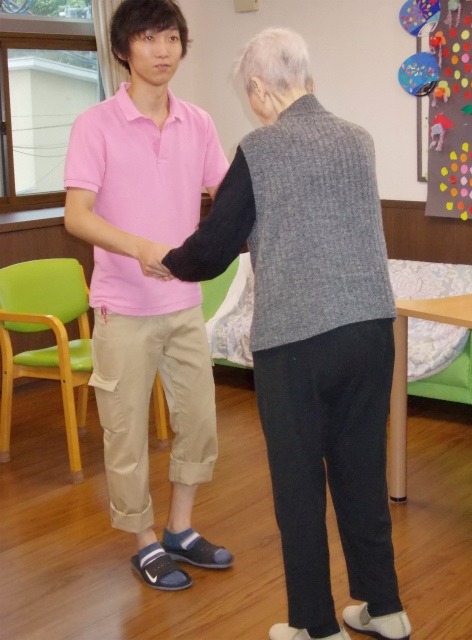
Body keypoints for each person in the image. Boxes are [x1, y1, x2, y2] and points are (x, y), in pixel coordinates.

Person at [152, 27, 412, 640]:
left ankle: (316, 626)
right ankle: (386, 610)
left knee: (299, 486)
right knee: (361, 472)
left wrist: (167, 261)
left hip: (297, 343)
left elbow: (214, 247)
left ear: (259, 87)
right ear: (307, 78)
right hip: (371, 330)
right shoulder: (359, 139)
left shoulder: (260, 149)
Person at [63, 0, 233, 592]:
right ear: (122, 50)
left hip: (184, 305)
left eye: (172, 39)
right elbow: (77, 216)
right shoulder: (95, 124)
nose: (163, 50)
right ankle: (143, 541)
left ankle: (180, 528)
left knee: (199, 424)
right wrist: (139, 247)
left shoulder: (199, 123)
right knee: (126, 434)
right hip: (122, 309)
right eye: (148, 38)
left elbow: (226, 195)